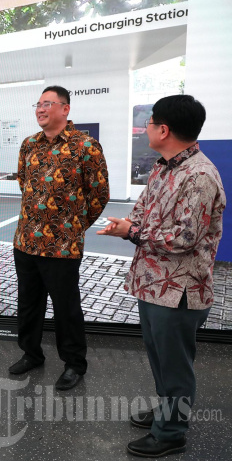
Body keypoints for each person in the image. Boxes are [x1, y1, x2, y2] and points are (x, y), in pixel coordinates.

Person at [98, 95, 225, 458]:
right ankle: (167, 412)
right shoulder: (163, 167)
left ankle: (171, 433)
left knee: (175, 367)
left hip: (179, 291)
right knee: (160, 359)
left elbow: (185, 238)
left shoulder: (199, 176)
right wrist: (128, 224)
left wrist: (132, 232)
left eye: (150, 122)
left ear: (164, 130)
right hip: (153, 285)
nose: (147, 128)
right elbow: (143, 210)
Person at [9, 85, 110, 391]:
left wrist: (74, 226)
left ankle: (74, 364)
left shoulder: (86, 146)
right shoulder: (29, 145)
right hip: (26, 241)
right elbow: (24, 183)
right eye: (38, 104)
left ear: (65, 109)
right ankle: (31, 353)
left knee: (66, 308)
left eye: (48, 104)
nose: (41, 109)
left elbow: (99, 194)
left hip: (63, 247)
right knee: (28, 303)